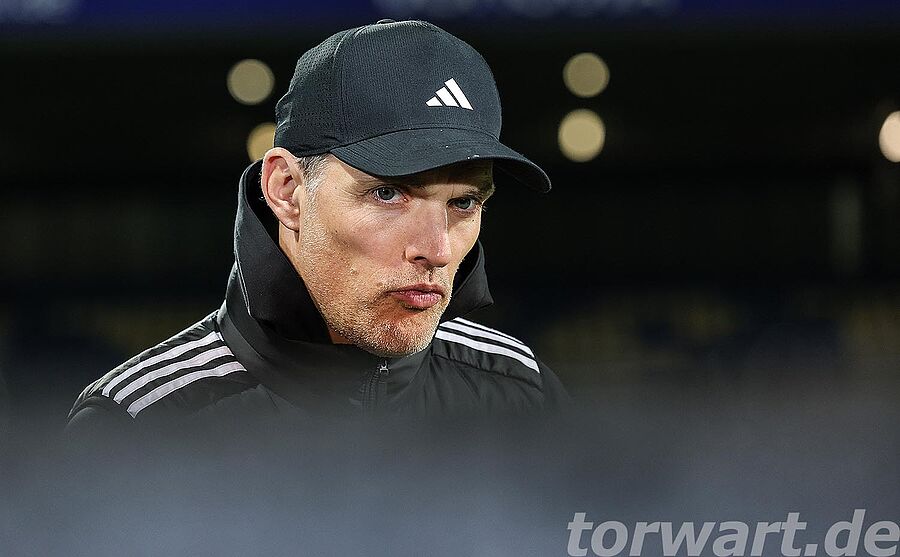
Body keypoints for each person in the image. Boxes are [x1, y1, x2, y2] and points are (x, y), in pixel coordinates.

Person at [66, 19, 567, 436]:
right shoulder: (138, 427)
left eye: (464, 202)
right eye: (388, 194)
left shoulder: (521, 390)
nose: (436, 250)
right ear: (286, 190)